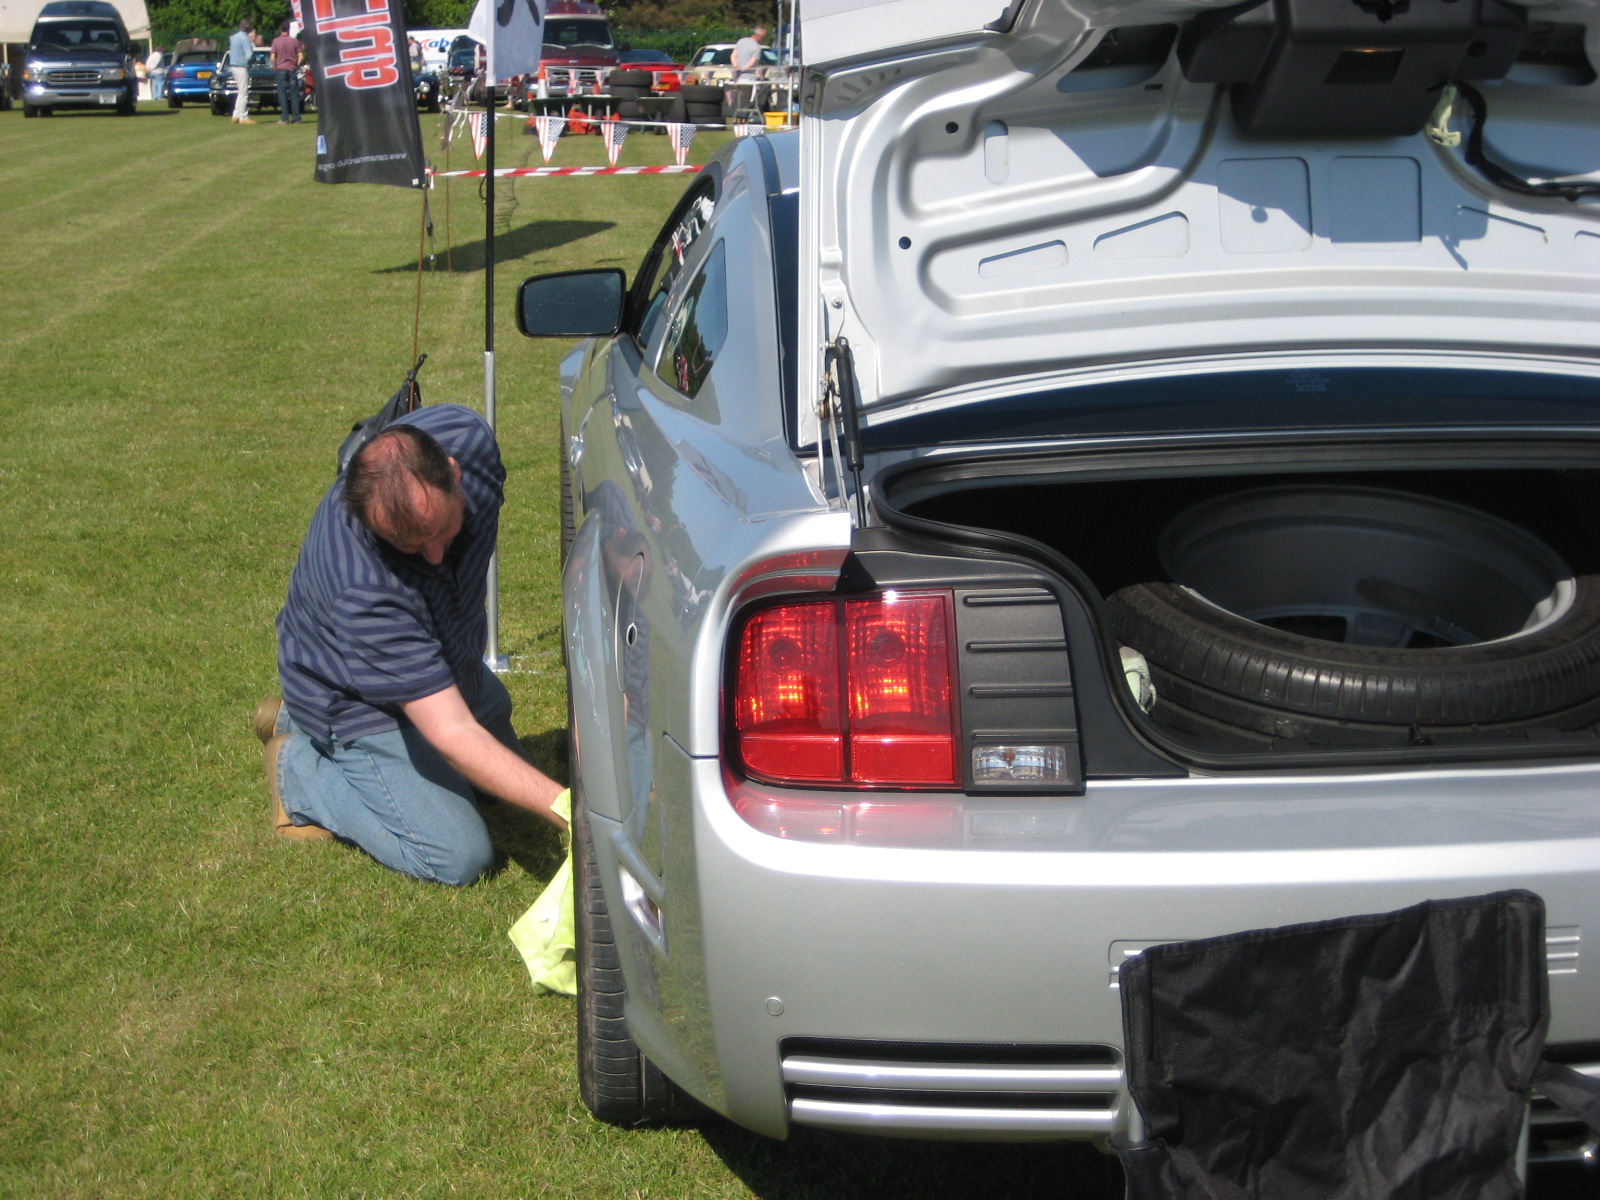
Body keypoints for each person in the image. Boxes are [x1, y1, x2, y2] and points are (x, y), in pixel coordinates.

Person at [255, 405, 568, 886]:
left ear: (454, 470)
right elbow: (455, 734)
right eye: (411, 548)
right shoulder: (360, 586)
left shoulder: (468, 437)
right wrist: (572, 813)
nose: (437, 554)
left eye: (442, 529)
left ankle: (290, 717)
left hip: (447, 654)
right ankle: (298, 771)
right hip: (354, 697)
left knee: (501, 785)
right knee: (458, 854)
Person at [271, 21, 302, 124]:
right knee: (294, 94)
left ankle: (285, 118)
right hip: (292, 69)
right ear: (289, 29)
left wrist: (275, 66)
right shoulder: (294, 41)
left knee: (282, 94)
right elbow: (301, 56)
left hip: (281, 69)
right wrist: (296, 65)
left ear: (280, 29)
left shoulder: (276, 41)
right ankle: (296, 118)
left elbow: (272, 57)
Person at [228, 18, 255, 124]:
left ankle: (236, 114)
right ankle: (243, 116)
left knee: (240, 91)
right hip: (241, 66)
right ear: (248, 28)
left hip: (233, 66)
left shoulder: (234, 37)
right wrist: (254, 60)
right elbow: (249, 55)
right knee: (244, 93)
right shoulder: (244, 38)